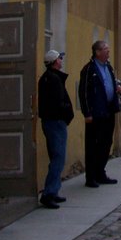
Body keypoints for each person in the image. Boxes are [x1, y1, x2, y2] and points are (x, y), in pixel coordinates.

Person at [78, 40, 121, 188]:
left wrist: (117, 88)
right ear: (97, 52)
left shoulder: (109, 68)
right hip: (95, 113)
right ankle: (91, 176)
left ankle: (100, 172)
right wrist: (87, 113)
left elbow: (110, 83)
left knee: (106, 143)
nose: (108, 51)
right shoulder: (89, 69)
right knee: (93, 145)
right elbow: (83, 92)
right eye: (105, 49)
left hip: (109, 111)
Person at [37, 49, 74, 209]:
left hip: (52, 121)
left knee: (56, 157)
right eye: (59, 58)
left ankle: (54, 190)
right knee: (58, 157)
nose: (61, 60)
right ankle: (49, 193)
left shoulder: (48, 78)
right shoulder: (52, 79)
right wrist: (66, 114)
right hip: (55, 122)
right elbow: (58, 101)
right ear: (54, 61)